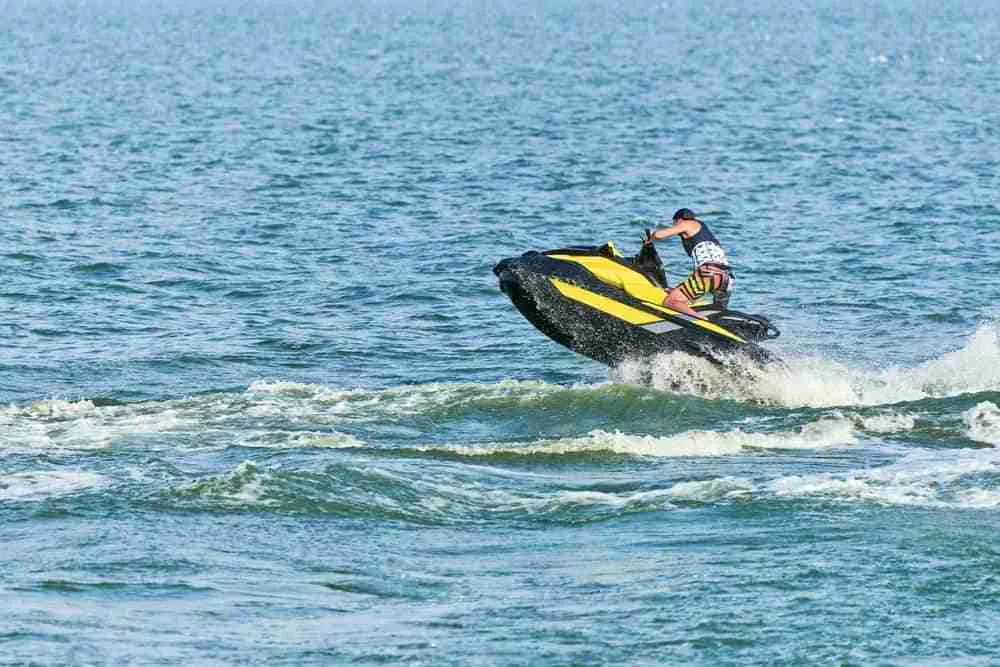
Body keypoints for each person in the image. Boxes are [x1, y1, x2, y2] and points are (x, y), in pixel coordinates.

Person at [645, 208, 733, 317]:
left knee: (671, 301)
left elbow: (659, 235)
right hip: (726, 278)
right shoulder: (704, 232)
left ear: (679, 220)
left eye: (675, 224)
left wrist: (651, 236)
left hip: (709, 272)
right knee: (718, 313)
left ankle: (702, 325)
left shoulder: (688, 223)